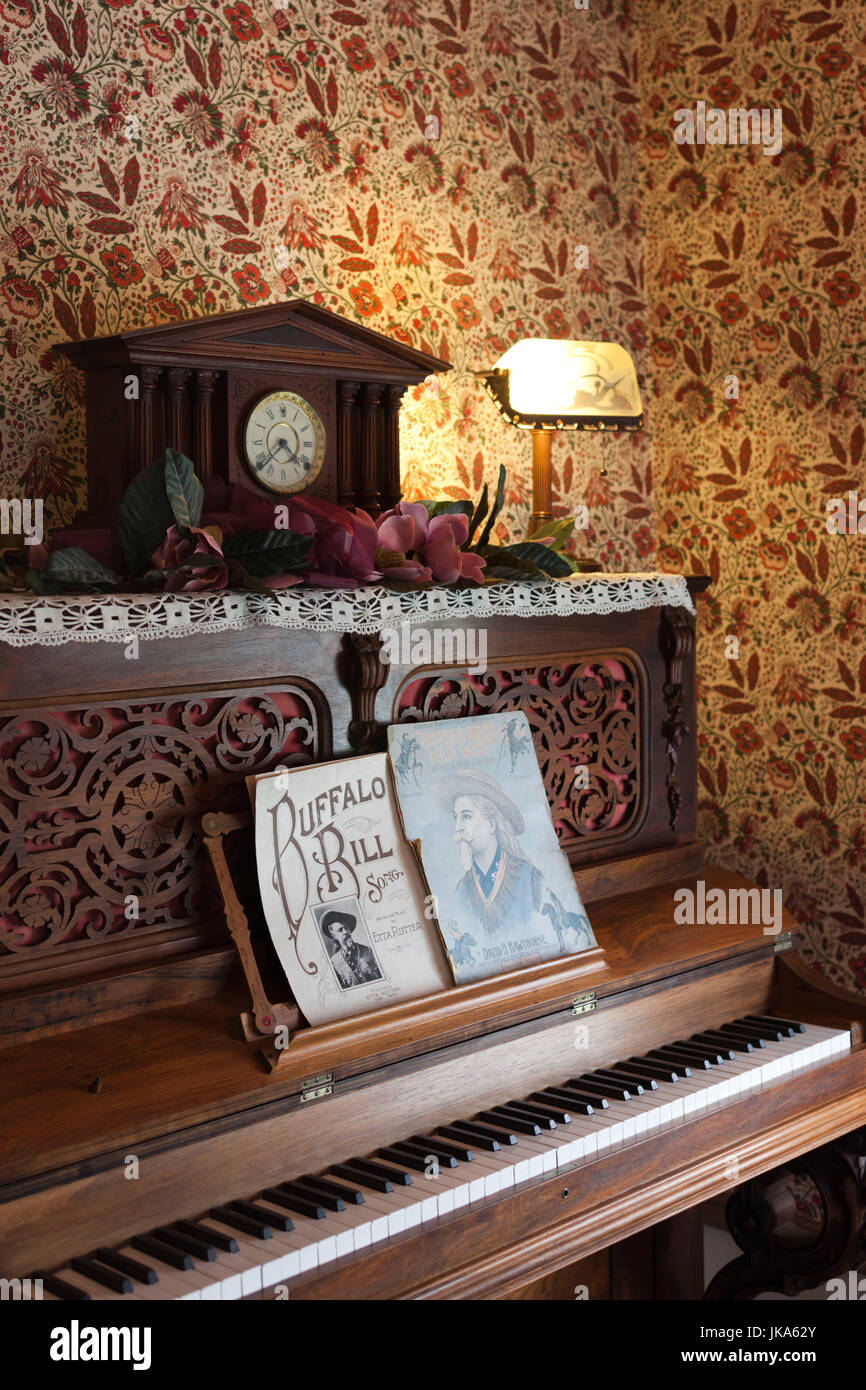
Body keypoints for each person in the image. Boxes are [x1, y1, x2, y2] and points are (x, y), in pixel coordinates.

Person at [319, 909, 382, 989]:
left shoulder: (368, 951)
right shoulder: (334, 963)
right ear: (335, 936)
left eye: (346, 928)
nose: (345, 932)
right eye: (340, 930)